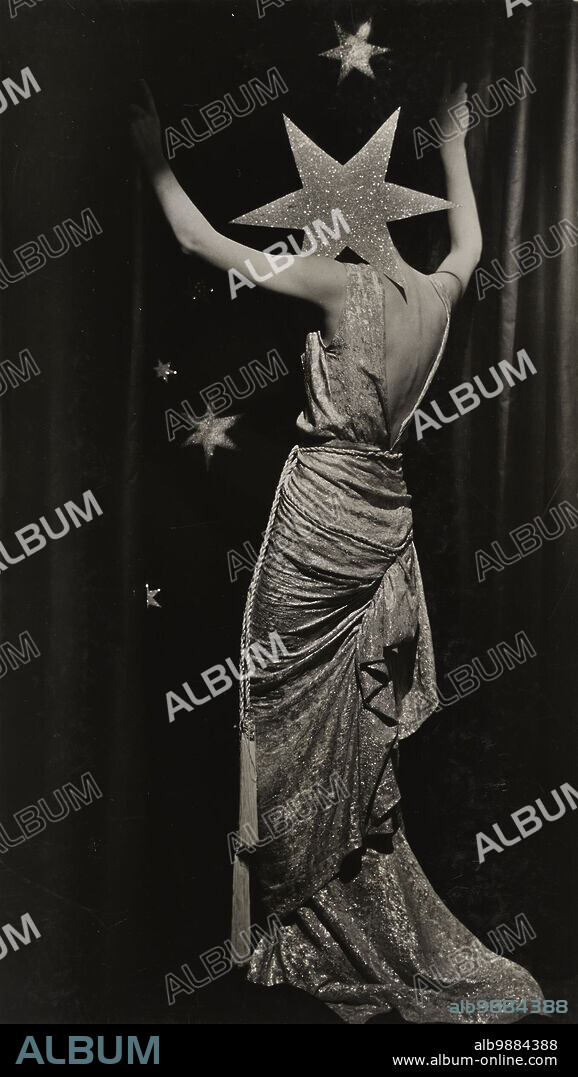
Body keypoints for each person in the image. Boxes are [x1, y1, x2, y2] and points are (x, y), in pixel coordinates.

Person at [131, 80, 544, 1023]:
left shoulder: (341, 283)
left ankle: (291, 918)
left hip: (320, 510)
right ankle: (333, 904)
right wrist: (454, 145)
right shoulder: (434, 295)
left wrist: (152, 150)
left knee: (274, 704)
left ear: (339, 228)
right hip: (385, 511)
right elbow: (472, 244)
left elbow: (202, 243)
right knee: (352, 729)